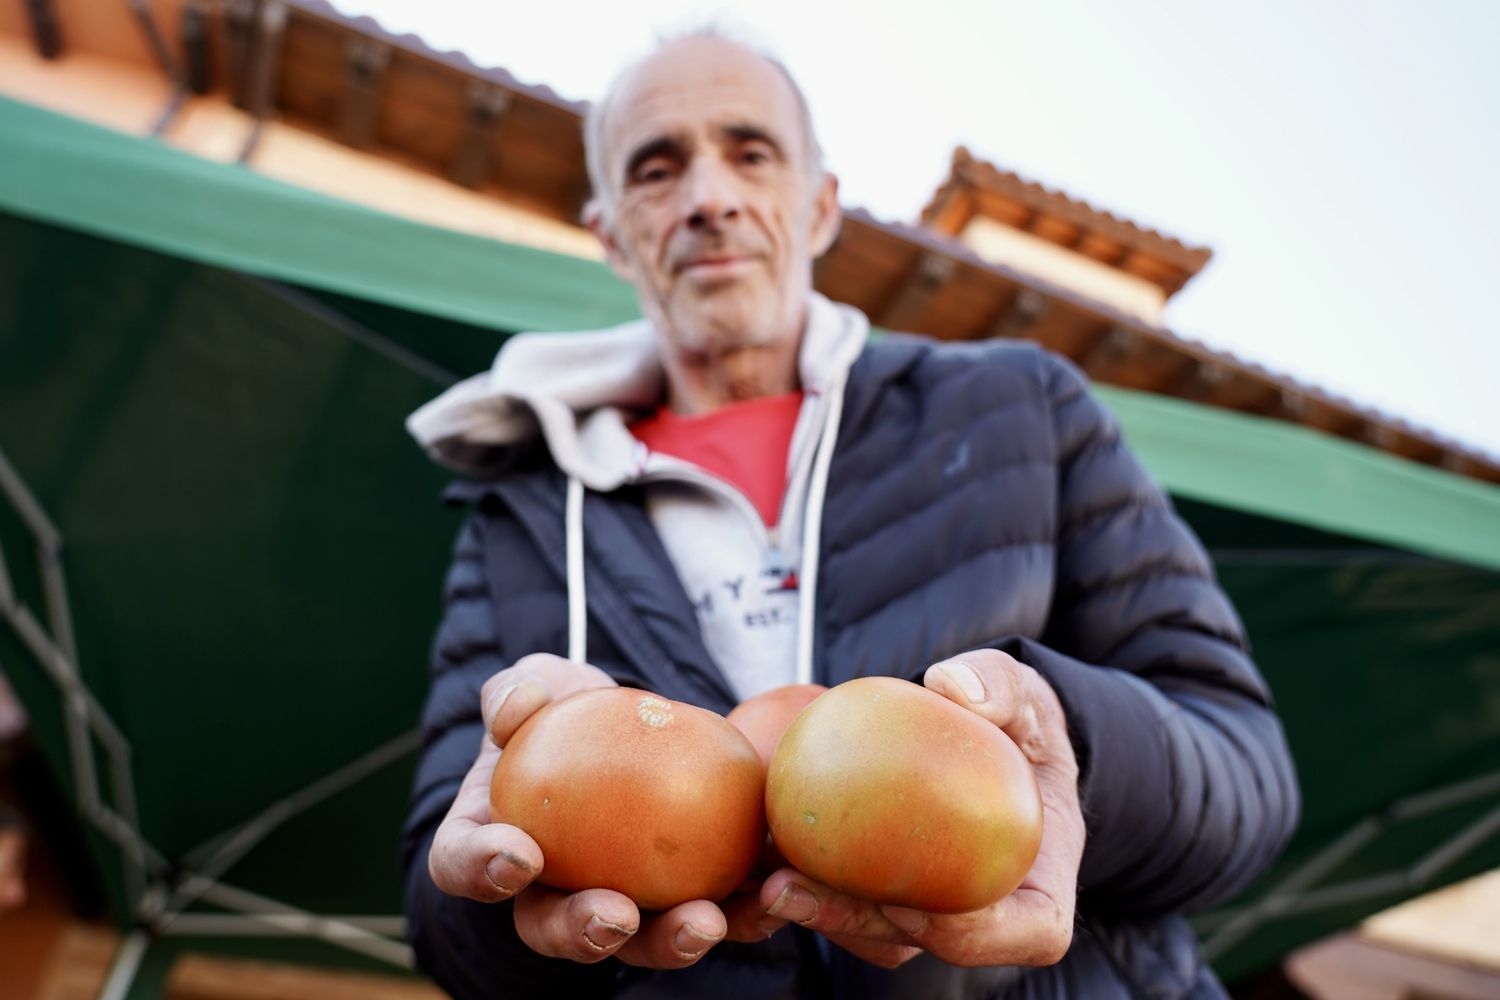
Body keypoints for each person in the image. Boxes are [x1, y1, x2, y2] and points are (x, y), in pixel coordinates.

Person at [401, 29, 1299, 1000]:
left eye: (752, 153)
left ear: (822, 206)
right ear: (612, 232)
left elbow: (1247, 778)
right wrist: (505, 888)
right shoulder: (522, 512)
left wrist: (1067, 742)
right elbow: (445, 920)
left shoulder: (1022, 411)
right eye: (657, 170)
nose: (711, 198)